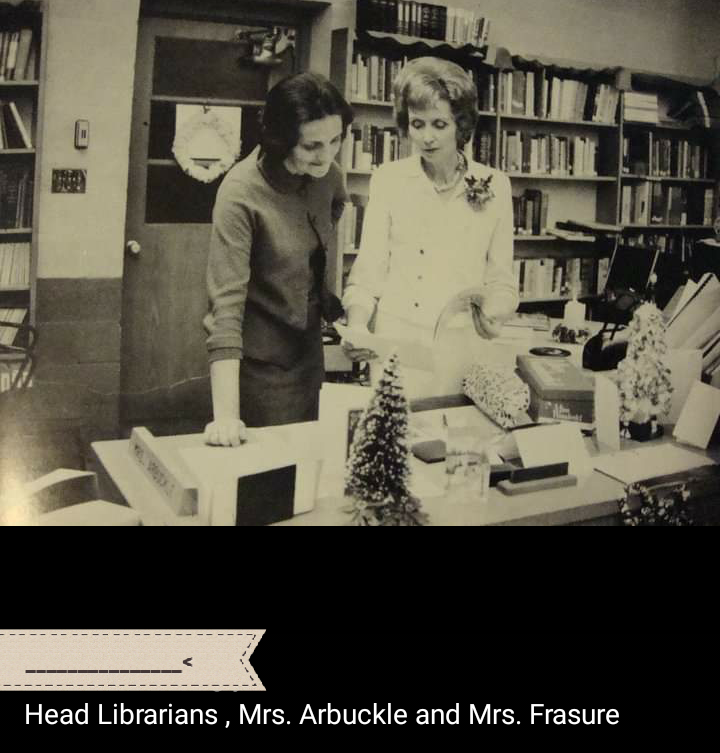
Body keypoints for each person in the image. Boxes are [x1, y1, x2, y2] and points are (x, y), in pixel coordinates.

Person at [342, 56, 518, 398]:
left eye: (439, 124)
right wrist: (358, 325)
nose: (427, 137)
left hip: (462, 347)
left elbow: (502, 281)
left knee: (457, 430)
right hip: (397, 346)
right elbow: (367, 274)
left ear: (461, 125)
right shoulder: (388, 180)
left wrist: (493, 312)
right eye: (417, 124)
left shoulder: (495, 184)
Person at [203, 72, 353, 446]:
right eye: (312, 146)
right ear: (281, 140)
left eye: (335, 140)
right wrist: (226, 418)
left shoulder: (329, 176)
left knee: (315, 459)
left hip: (310, 349)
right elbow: (225, 309)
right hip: (260, 363)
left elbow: (334, 208)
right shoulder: (239, 193)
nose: (327, 155)